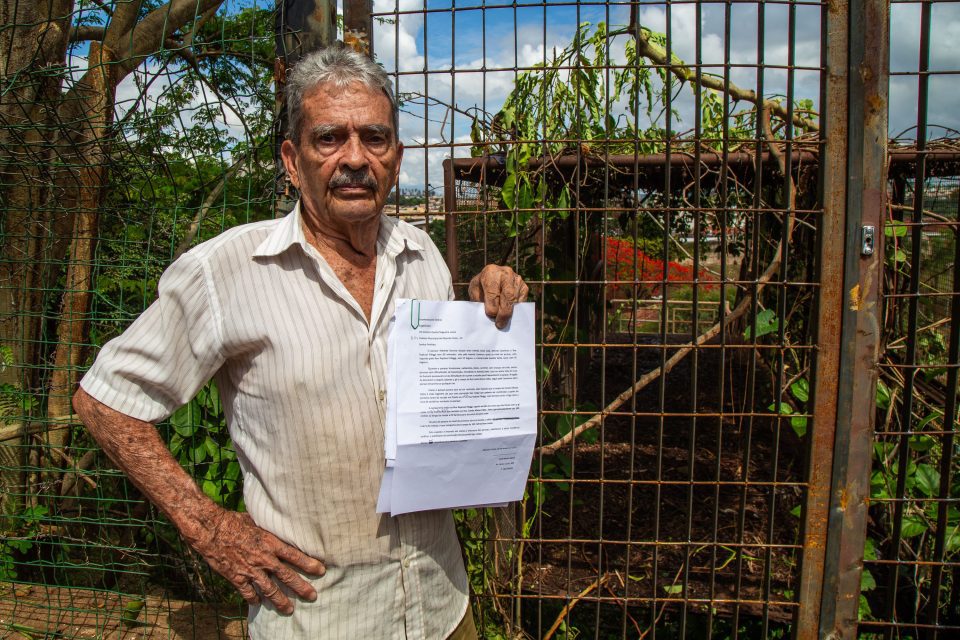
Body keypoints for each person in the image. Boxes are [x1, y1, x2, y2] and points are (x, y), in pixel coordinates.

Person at [73, 44, 528, 639]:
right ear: (292, 160)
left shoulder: (422, 255)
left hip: (444, 607)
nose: (355, 158)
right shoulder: (226, 271)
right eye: (329, 138)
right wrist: (209, 527)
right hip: (318, 618)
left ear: (396, 157)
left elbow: (440, 397)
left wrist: (486, 307)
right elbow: (105, 400)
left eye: (374, 138)